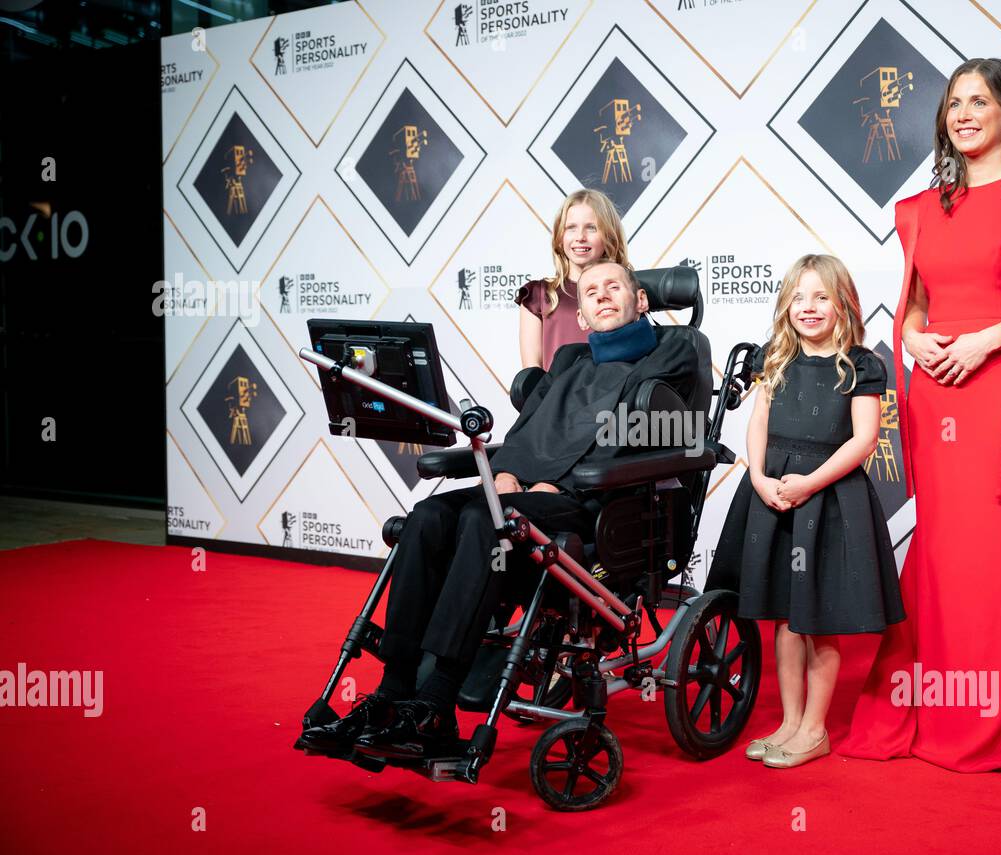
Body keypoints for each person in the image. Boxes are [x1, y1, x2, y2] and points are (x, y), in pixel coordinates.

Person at [296, 261, 696, 761]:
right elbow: (529, 428)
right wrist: (505, 471)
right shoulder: (570, 359)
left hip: (594, 500)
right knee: (429, 518)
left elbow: (641, 428)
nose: (602, 295)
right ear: (584, 317)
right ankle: (394, 691)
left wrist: (556, 482)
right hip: (529, 489)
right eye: (590, 292)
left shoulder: (675, 348)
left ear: (642, 302)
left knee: (484, 522)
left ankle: (437, 700)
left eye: (616, 287)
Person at [841, 57, 1001, 773]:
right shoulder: (924, 210)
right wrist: (914, 338)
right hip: (938, 393)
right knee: (944, 549)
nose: (963, 114)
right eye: (954, 103)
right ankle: (937, 703)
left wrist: (984, 341)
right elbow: (915, 304)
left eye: (979, 101)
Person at [705, 254, 905, 769]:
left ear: (843, 304)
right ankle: (790, 723)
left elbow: (864, 440)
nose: (808, 308)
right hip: (773, 491)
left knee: (817, 618)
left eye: (821, 297)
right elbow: (759, 421)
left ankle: (815, 729)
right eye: (798, 297)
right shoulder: (773, 357)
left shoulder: (862, 364)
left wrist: (810, 483)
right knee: (785, 620)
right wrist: (757, 478)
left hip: (830, 497)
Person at [517, 189, 632, 370]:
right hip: (553, 397)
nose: (580, 237)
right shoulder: (538, 295)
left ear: (609, 235)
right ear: (560, 237)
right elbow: (530, 375)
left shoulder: (625, 292)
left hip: (612, 395)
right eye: (571, 228)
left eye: (591, 228)